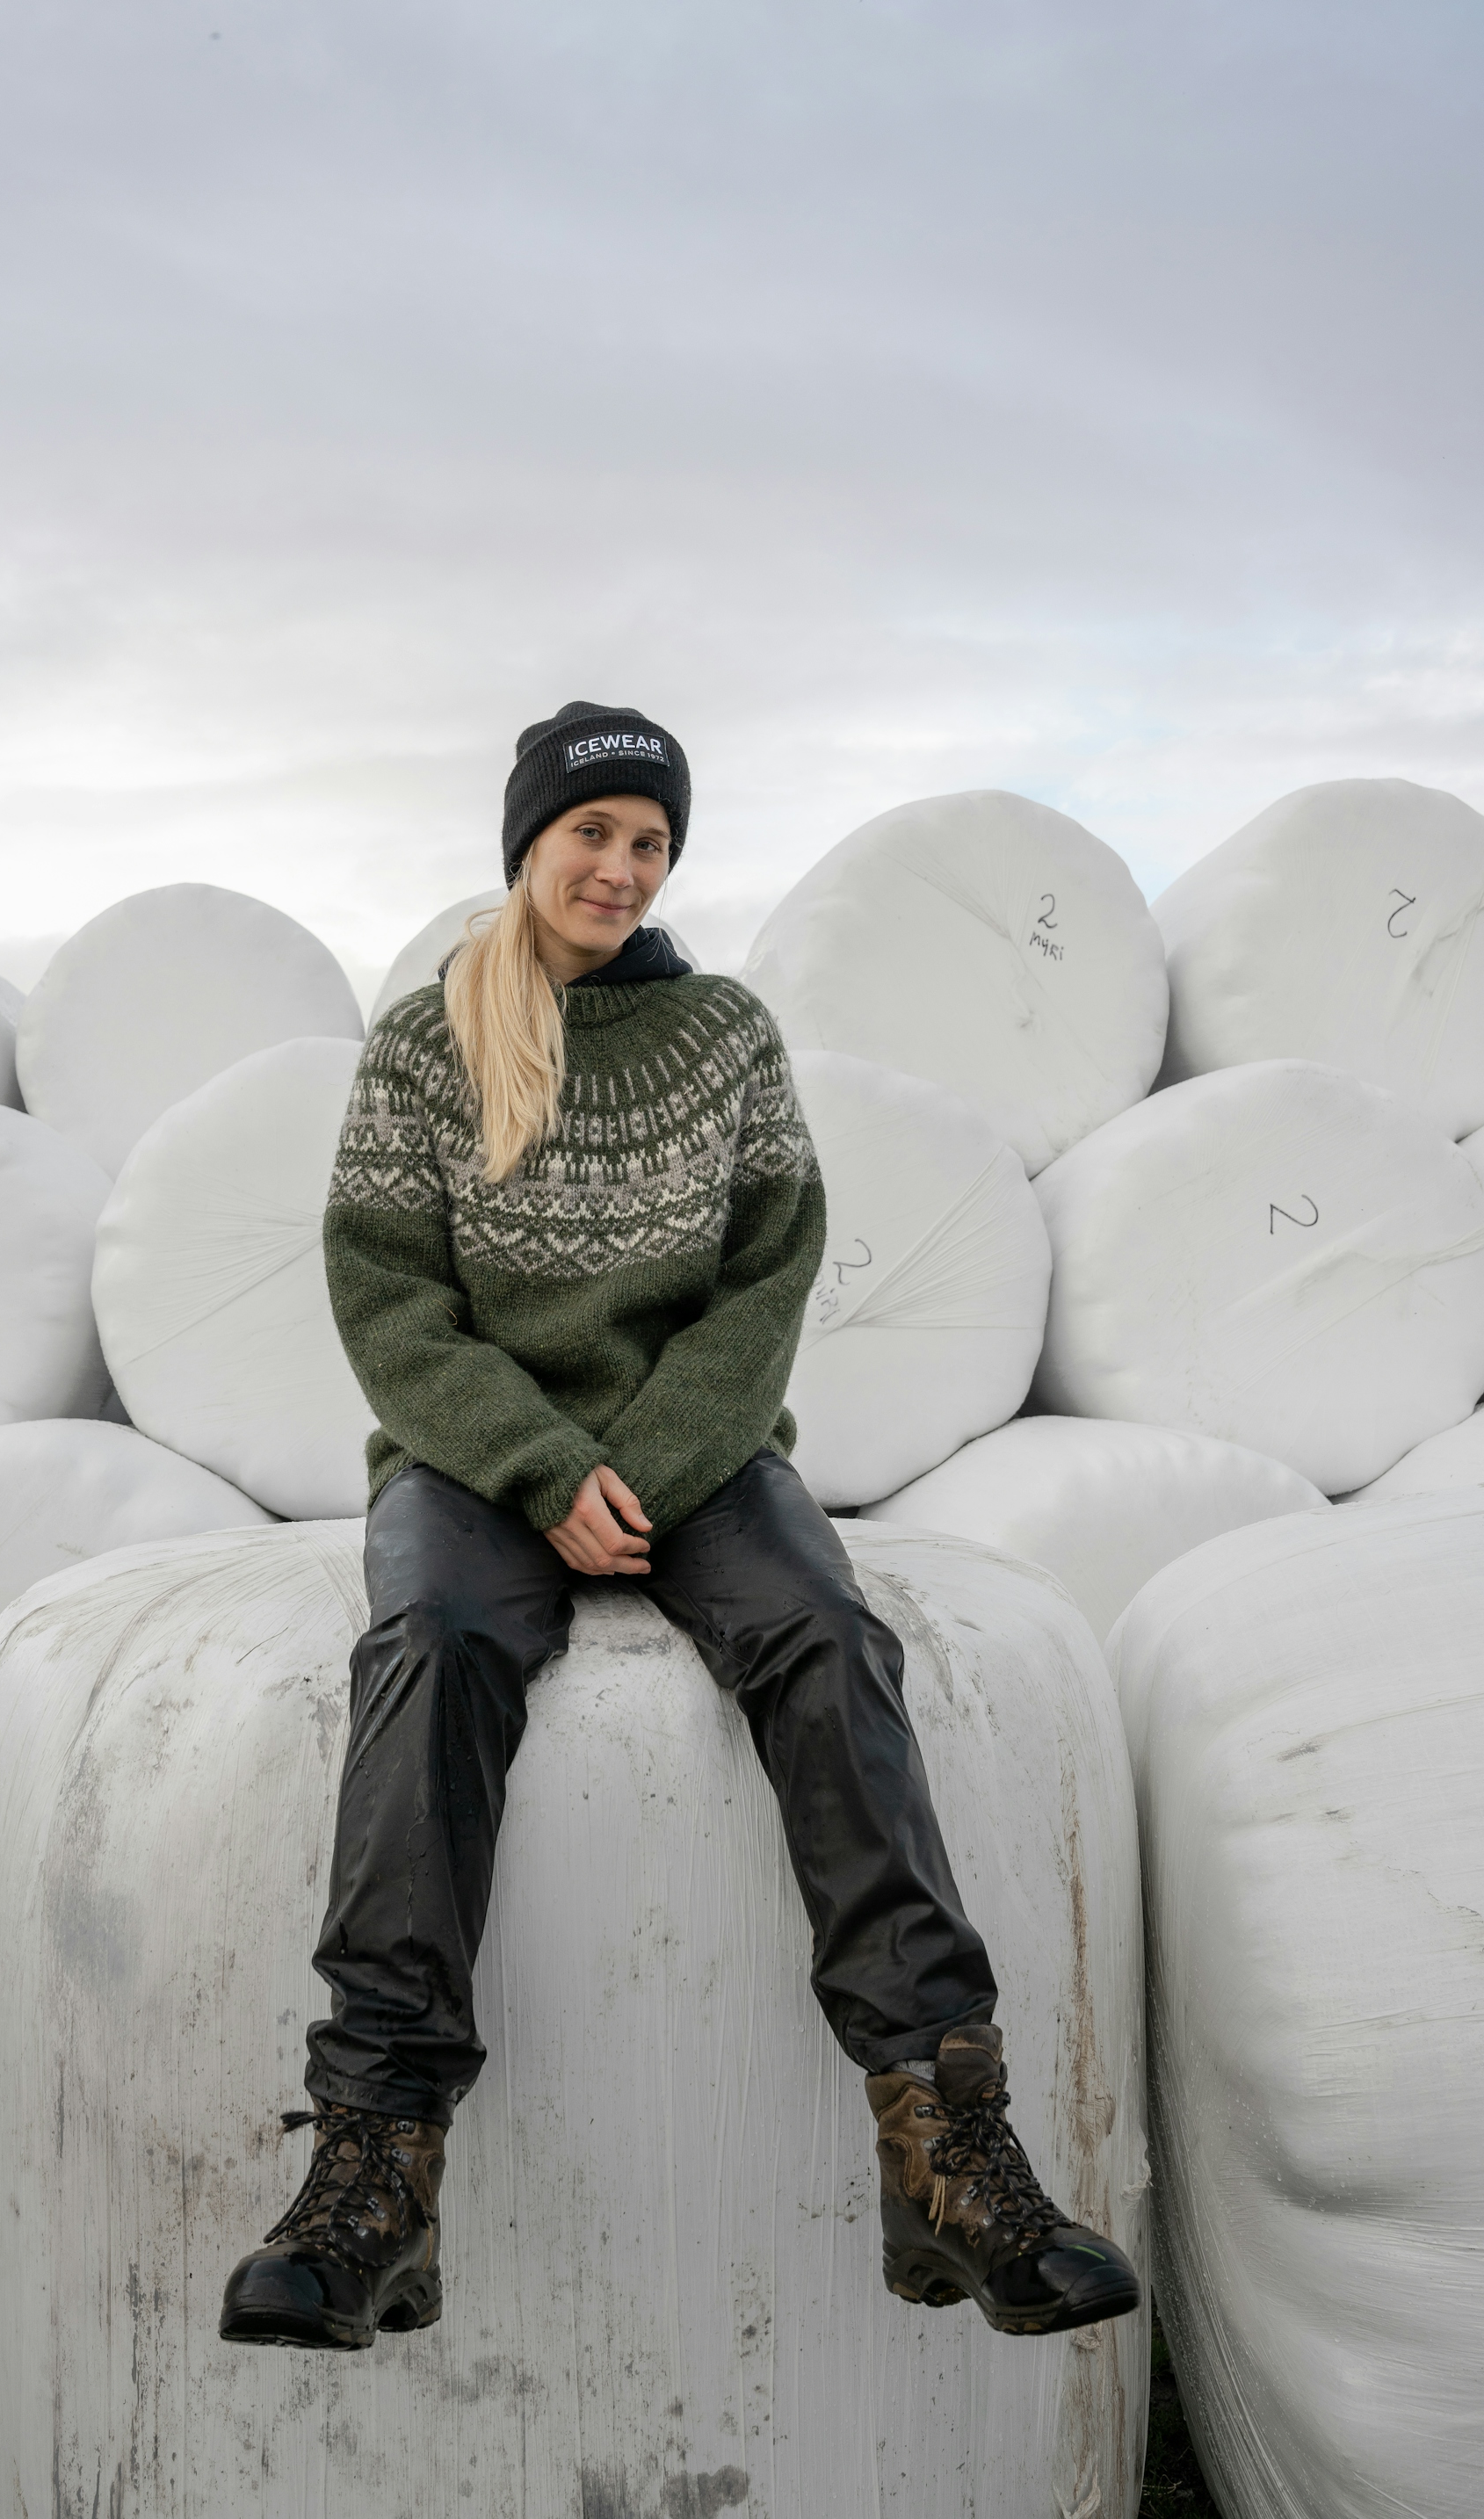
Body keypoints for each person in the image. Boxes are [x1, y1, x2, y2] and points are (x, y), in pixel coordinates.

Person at [220, 701, 1140, 2355]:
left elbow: (770, 1271)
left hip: (699, 1451)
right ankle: (373, 2175)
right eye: (596, 833)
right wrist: (541, 1468)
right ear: (529, 845)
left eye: (652, 842)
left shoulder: (723, 1031)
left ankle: (950, 2143)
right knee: (430, 1646)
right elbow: (387, 1294)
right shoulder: (430, 1044)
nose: (624, 867)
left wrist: (642, 1464)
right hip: (476, 1455)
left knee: (828, 1637)